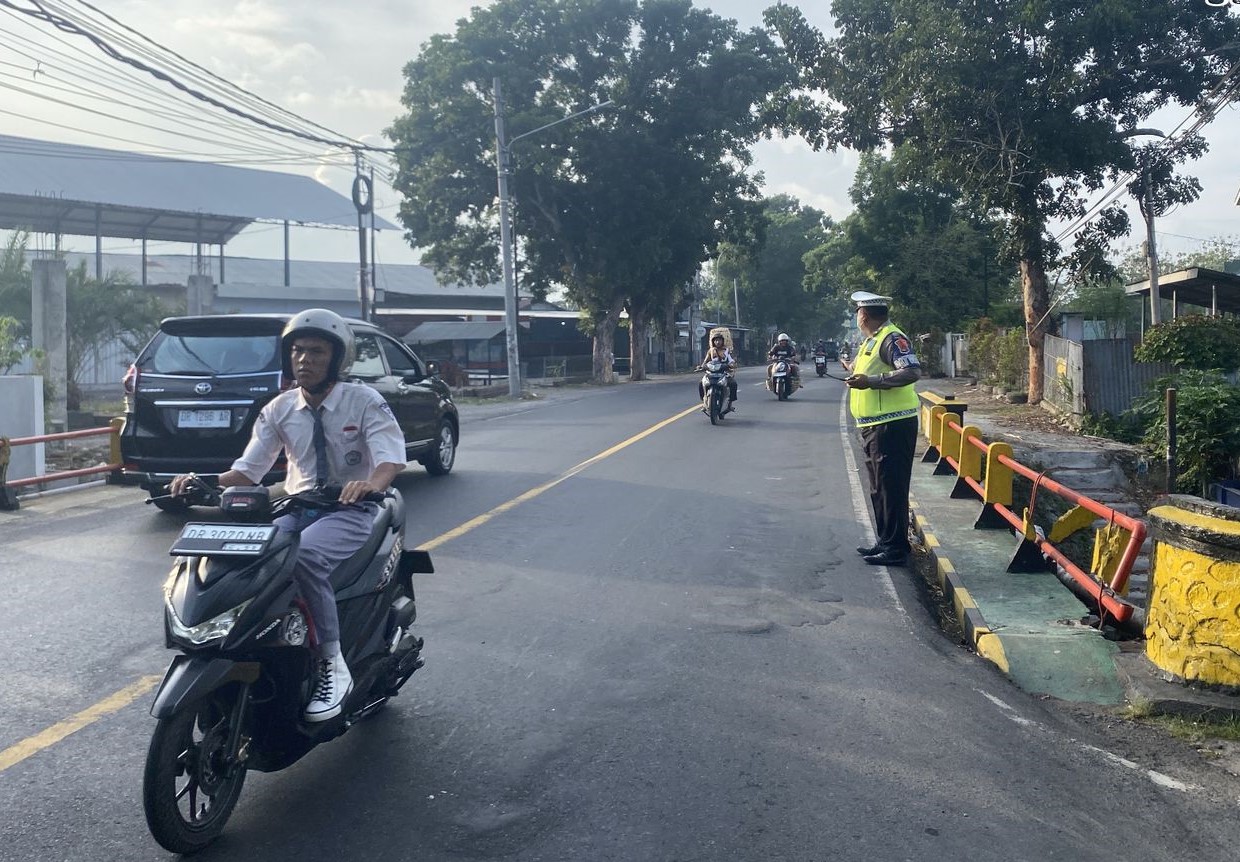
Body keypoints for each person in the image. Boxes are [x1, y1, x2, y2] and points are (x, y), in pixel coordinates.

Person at [168, 308, 407, 722]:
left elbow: (390, 459)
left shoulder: (363, 401)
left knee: (306, 558)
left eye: (316, 351)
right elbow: (247, 472)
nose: (304, 360)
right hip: (296, 508)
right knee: (250, 562)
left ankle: (332, 664)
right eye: (297, 351)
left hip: (350, 509)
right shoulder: (279, 408)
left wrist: (371, 483)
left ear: (336, 359)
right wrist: (200, 480)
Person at [844, 291, 922, 567]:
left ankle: (896, 548)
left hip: (892, 425)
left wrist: (872, 381)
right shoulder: (872, 340)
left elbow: (911, 371)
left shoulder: (892, 338)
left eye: (857, 312)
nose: (857, 317)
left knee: (892, 488)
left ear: (864, 315)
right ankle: (886, 540)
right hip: (874, 426)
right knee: (879, 487)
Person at [698, 332, 739, 411]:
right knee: (701, 383)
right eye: (716, 340)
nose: (717, 342)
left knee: (733, 384)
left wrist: (732, 364)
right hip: (711, 373)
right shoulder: (711, 351)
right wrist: (701, 366)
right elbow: (705, 361)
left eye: (719, 340)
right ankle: (704, 402)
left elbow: (731, 360)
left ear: (722, 341)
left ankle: (730, 404)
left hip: (724, 372)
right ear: (713, 342)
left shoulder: (727, 350)